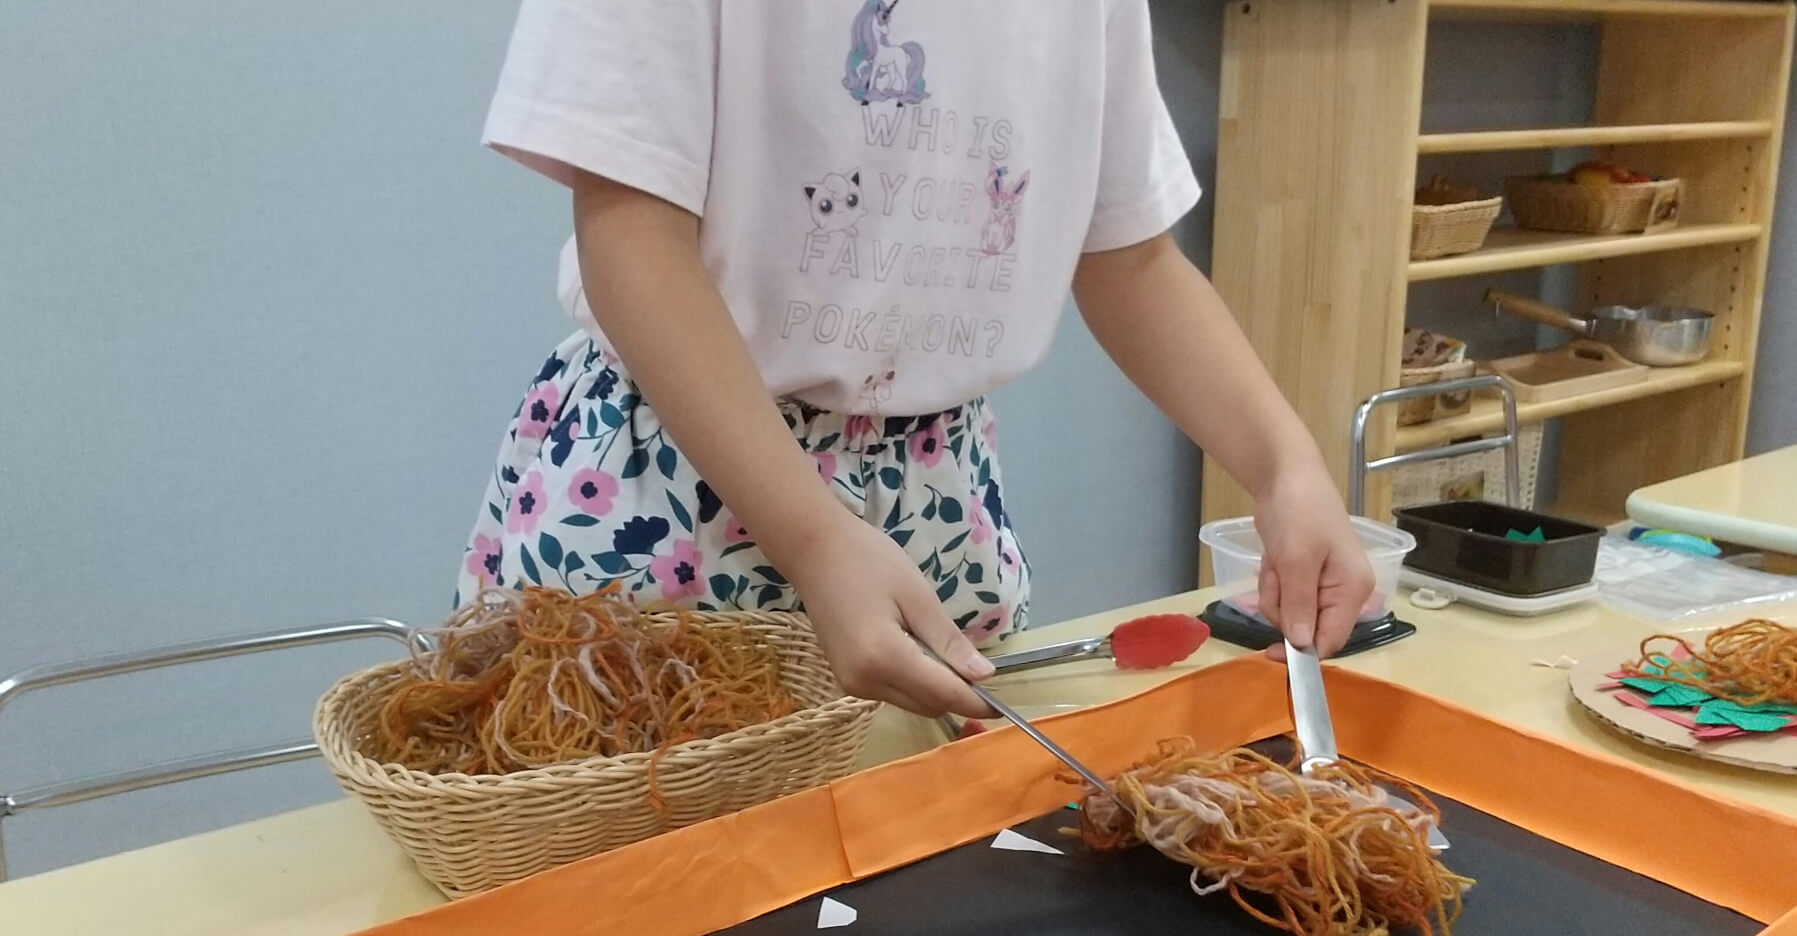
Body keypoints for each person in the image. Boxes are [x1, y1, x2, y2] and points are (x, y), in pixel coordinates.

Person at [457, 0, 1372, 720]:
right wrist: (812, 538)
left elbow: (1129, 257)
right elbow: (632, 237)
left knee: (918, 888)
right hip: (674, 489)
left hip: (936, 498)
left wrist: (1285, 467)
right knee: (640, 908)